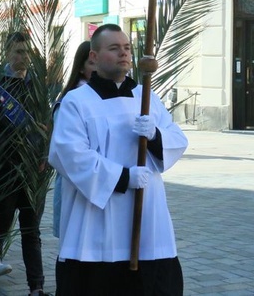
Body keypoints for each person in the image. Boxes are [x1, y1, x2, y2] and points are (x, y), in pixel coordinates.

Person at [49, 24, 188, 296]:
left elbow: (178, 138)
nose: (123, 54)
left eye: (126, 48)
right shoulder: (77, 101)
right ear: (94, 56)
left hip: (147, 217)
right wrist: (123, 177)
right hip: (95, 220)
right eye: (114, 48)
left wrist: (156, 136)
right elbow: (67, 153)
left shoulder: (146, 97)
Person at [0, 32, 48, 296]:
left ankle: (37, 286)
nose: (23, 57)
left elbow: (47, 124)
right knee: (2, 224)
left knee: (31, 230)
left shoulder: (38, 86)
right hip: (5, 167)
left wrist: (43, 150)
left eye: (26, 52)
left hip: (32, 168)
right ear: (7, 52)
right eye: (18, 51)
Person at [51, 40, 95, 238]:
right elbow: (64, 154)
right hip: (76, 185)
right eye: (92, 63)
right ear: (81, 68)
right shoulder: (71, 101)